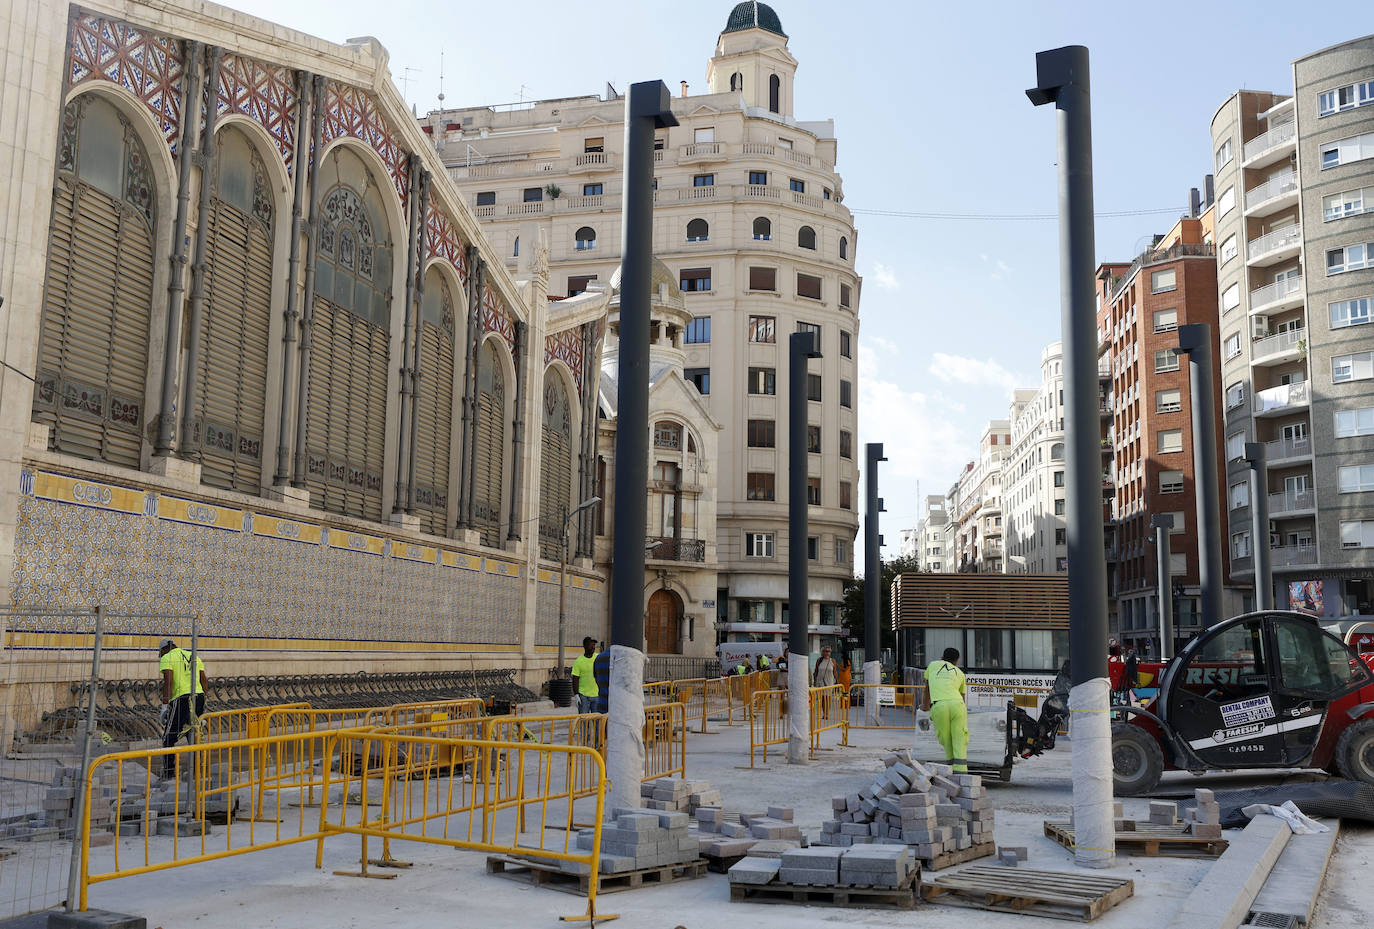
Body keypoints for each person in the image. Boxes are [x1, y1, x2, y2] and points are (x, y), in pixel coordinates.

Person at [158, 638, 208, 779]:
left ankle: (169, 773)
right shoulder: (194, 656)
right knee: (193, 734)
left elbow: (168, 681)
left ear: (164, 650)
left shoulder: (167, 657)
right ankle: (198, 772)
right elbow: (203, 679)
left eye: (161, 653)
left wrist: (164, 706)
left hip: (182, 699)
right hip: (198, 697)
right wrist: (204, 700)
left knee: (168, 737)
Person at [921, 647, 968, 773]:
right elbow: (962, 697)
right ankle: (961, 772)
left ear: (942, 657)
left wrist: (924, 707)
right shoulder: (960, 673)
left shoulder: (932, 665)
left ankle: (950, 768)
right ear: (957, 661)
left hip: (940, 705)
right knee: (959, 738)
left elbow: (927, 689)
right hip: (958, 705)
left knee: (946, 739)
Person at [570, 636, 599, 713]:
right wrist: (576, 695)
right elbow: (575, 679)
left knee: (597, 722)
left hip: (597, 695)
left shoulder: (598, 658)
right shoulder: (578, 661)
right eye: (591, 645)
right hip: (583, 696)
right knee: (584, 721)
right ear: (585, 646)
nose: (593, 647)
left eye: (594, 645)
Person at [592, 646, 611, 714]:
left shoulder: (598, 658)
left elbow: (596, 678)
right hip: (617, 708)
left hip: (602, 705)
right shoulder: (621, 659)